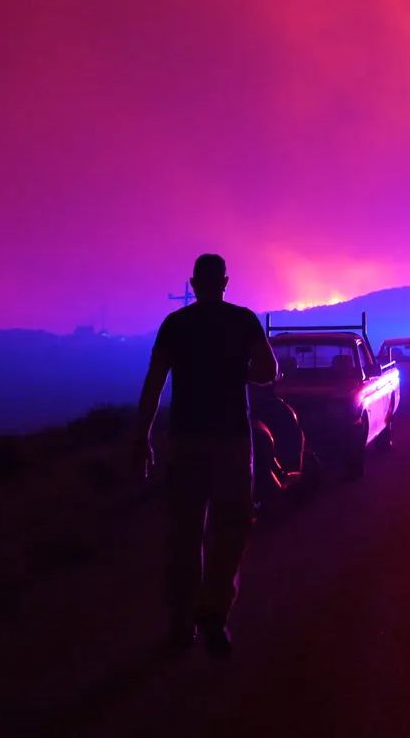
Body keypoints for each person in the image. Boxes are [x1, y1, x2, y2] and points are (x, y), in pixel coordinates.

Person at [132, 253, 278, 658]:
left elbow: (154, 384)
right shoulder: (243, 321)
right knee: (230, 528)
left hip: (184, 441)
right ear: (225, 282)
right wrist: (237, 374)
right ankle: (213, 610)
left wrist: (141, 436)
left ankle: (181, 623)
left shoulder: (175, 325)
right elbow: (269, 371)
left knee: (184, 533)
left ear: (194, 283)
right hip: (231, 442)